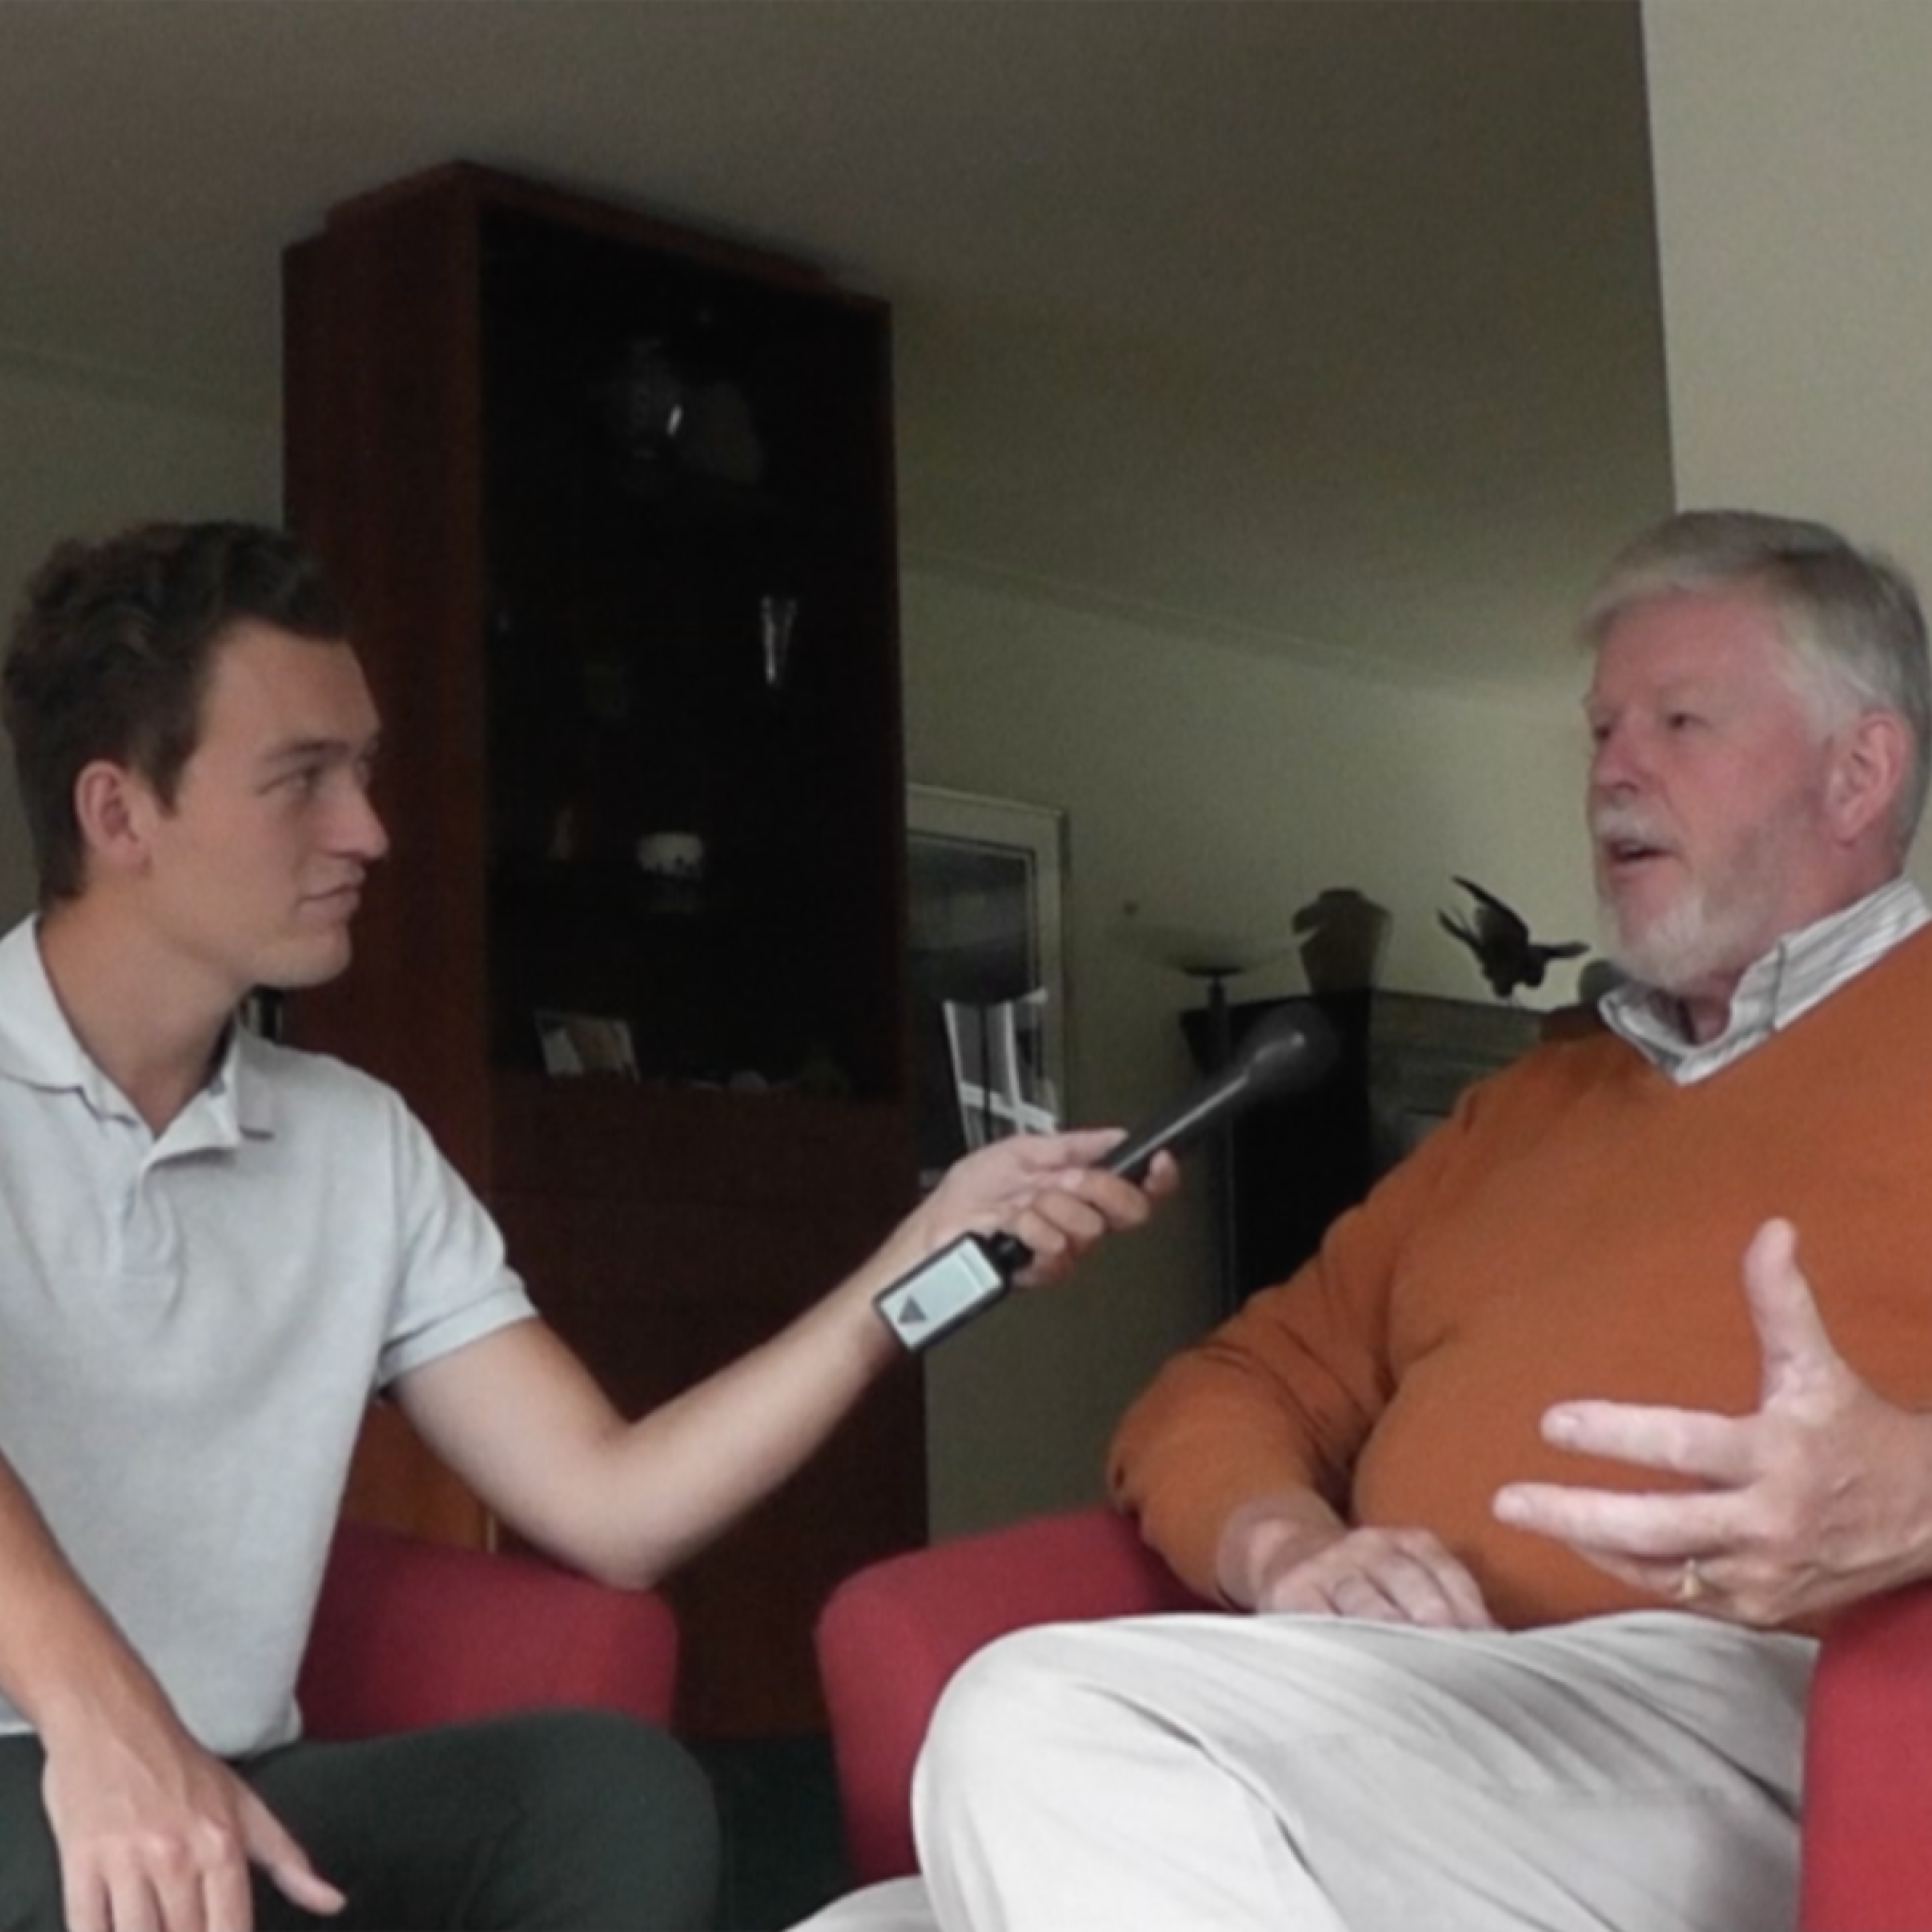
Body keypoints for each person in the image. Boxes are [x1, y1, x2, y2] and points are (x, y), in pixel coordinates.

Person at [0, 519, 1173, 1932]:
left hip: (241, 1792)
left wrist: (911, 1265)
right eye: (301, 778)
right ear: (120, 813)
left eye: (363, 771)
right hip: (39, 1790)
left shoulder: (354, 1146)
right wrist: (101, 1719)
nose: (368, 829)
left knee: (611, 1793)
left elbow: (614, 1504)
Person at [797, 506, 1932, 1932]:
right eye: (1600, 731)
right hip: (1435, 1717)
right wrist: (1285, 1547)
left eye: (1681, 722)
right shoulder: (1531, 1108)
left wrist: (1916, 1490)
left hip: (1795, 1723)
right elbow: (1238, 1383)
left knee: (1038, 1724)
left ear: (1858, 771)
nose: (1611, 773)